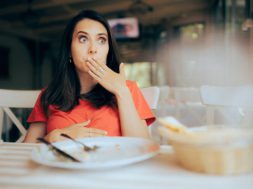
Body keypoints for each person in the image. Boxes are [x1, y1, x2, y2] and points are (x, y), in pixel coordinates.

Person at [24, 10, 155, 143]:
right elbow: (25, 150)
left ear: (108, 50)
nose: (93, 49)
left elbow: (143, 146)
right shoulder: (50, 93)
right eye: (83, 39)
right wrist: (51, 138)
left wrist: (121, 92)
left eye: (101, 40)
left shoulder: (128, 89)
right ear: (69, 50)